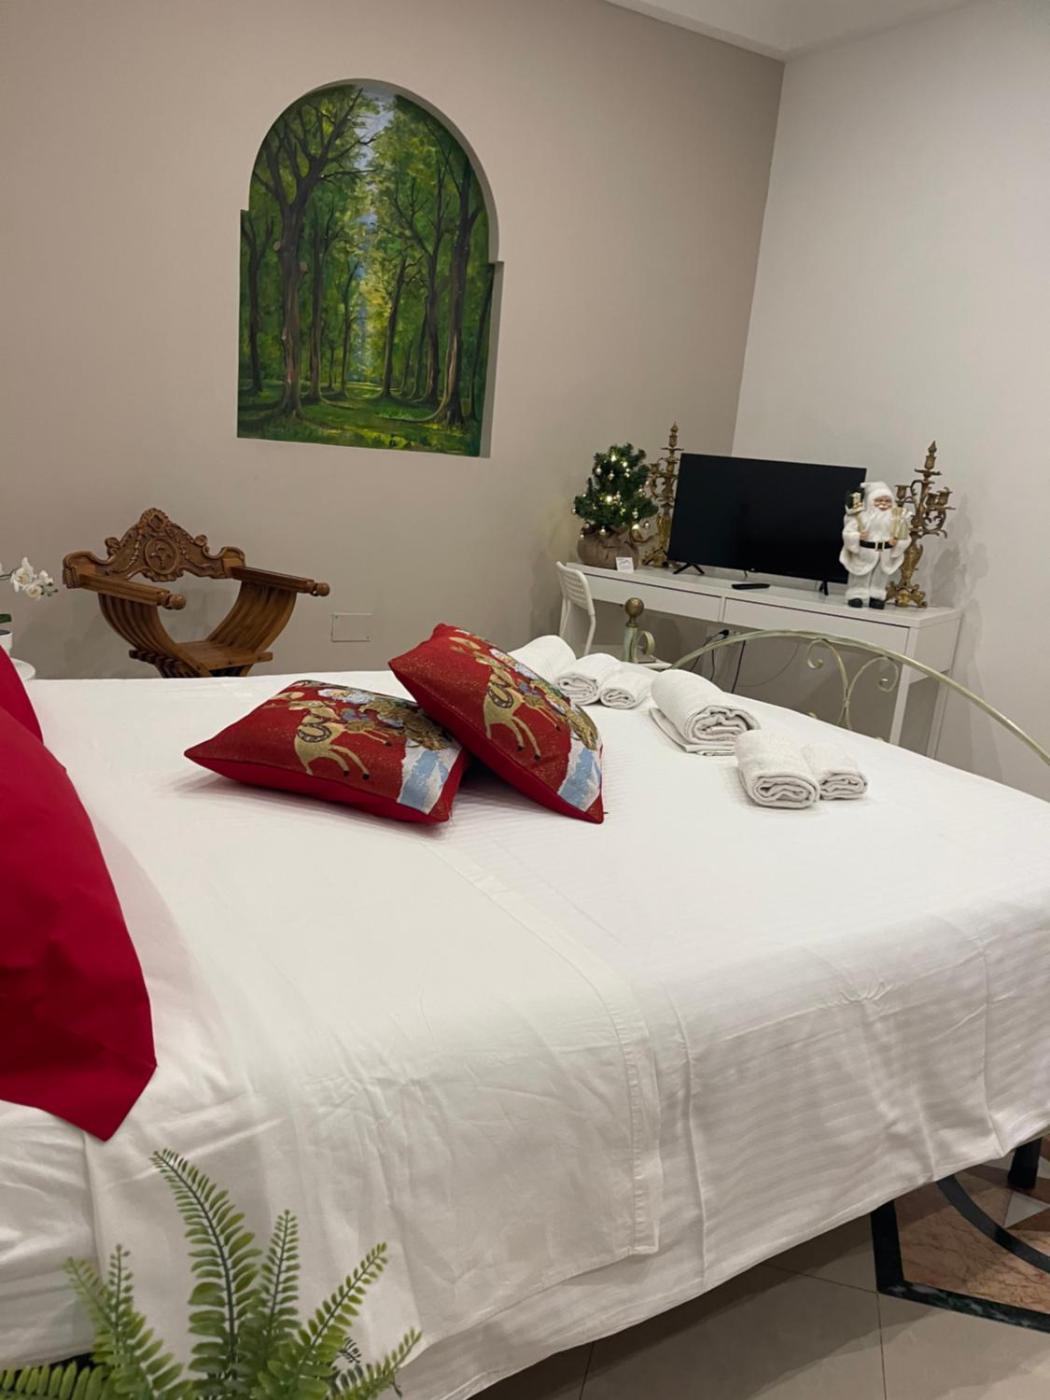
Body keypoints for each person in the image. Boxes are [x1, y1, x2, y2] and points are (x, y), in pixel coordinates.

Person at [840, 481, 910, 609]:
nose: (883, 504)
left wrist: (897, 542)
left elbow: (905, 537)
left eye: (887, 501)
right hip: (865, 551)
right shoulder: (861, 517)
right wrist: (857, 536)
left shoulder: (896, 519)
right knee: (861, 574)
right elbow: (848, 532)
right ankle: (857, 594)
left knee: (881, 575)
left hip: (885, 553)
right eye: (879, 500)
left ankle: (876, 596)